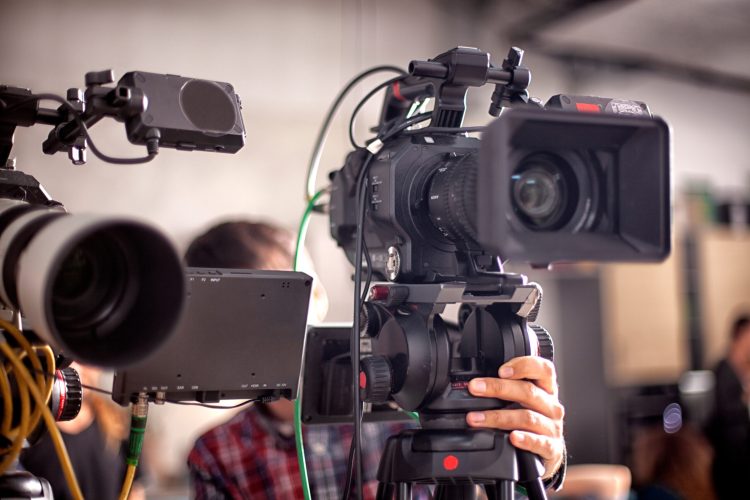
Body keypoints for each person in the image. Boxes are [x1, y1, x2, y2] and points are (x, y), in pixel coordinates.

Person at [186, 220, 566, 498]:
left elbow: (493, 487)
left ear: (318, 295)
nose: (267, 325)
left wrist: (542, 463)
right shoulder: (217, 455)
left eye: (281, 295)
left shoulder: (416, 396)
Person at [20, 363, 147, 500]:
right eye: (70, 360)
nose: (77, 368)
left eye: (84, 359)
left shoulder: (117, 424)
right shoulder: (30, 430)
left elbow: (135, 490)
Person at [705, 315, 750, 499]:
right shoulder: (722, 369)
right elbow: (723, 412)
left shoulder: (743, 368)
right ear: (740, 336)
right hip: (730, 455)